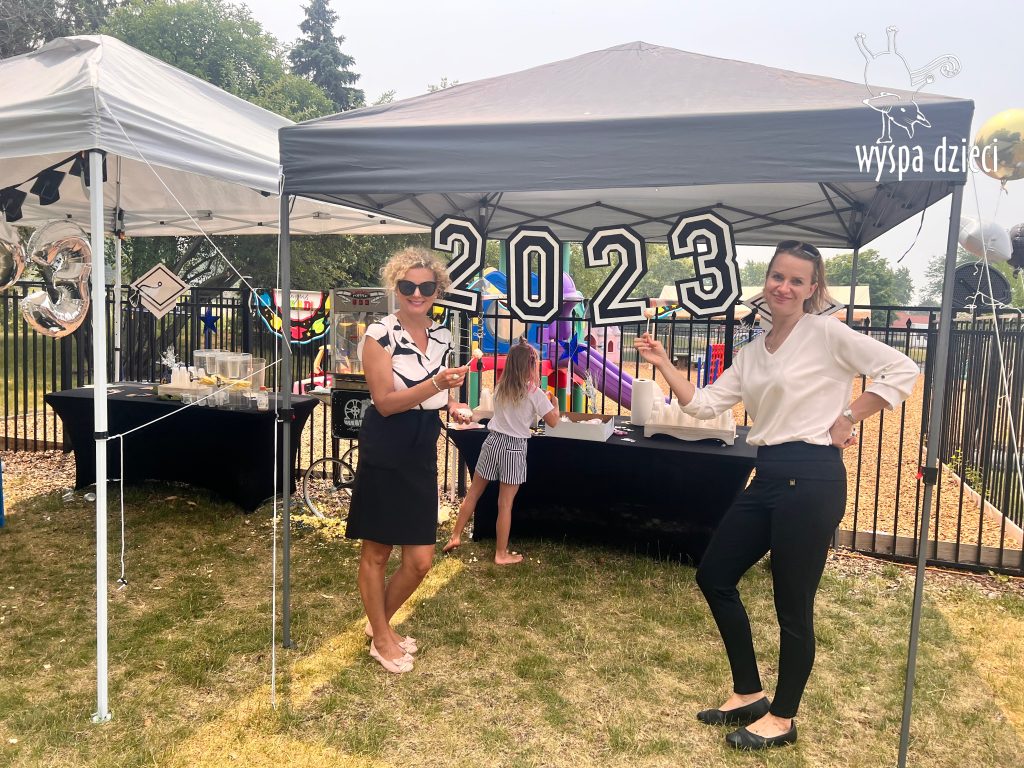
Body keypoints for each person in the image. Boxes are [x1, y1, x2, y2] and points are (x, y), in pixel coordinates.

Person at [635, 240, 919, 750]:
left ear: (813, 288)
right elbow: (703, 405)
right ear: (766, 280)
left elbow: (903, 369)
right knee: (714, 575)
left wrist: (849, 416)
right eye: (777, 277)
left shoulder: (826, 333)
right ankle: (748, 693)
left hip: (811, 480)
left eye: (796, 280)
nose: (784, 287)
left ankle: (783, 718)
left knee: (792, 605)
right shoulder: (752, 351)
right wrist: (662, 363)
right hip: (766, 477)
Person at [346, 246, 472, 674]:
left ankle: (377, 624)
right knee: (378, 550)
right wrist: (436, 385)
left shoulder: (444, 336)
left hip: (422, 443)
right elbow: (384, 402)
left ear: (438, 289)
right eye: (407, 286)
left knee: (420, 560)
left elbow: (437, 391)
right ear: (395, 288)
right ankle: (381, 636)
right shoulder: (378, 334)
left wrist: (452, 402)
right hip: (387, 442)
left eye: (426, 286)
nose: (417, 294)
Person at [443, 340, 560, 564]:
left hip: (492, 441)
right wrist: (554, 403)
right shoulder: (535, 393)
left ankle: (455, 535)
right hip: (514, 448)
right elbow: (553, 421)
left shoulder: (500, 388)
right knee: (504, 504)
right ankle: (500, 553)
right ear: (531, 365)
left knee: (473, 493)